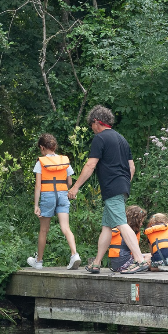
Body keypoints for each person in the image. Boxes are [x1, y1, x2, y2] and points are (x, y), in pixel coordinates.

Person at [67, 105, 149, 274]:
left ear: (97, 122)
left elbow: (90, 165)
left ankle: (140, 260)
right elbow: (131, 167)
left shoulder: (100, 138)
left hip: (112, 188)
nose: (92, 129)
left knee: (121, 223)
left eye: (91, 125)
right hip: (121, 187)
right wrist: (124, 183)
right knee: (107, 226)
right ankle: (96, 263)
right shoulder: (122, 139)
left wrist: (75, 187)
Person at [26, 133, 82, 270]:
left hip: (47, 196)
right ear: (54, 146)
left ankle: (38, 262)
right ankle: (74, 254)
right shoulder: (64, 160)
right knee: (66, 227)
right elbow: (69, 182)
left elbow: (38, 186)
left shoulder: (41, 162)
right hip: (63, 195)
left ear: (42, 147)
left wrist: (36, 205)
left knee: (44, 230)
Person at [107, 205, 148, 272]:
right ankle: (135, 268)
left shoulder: (119, 229)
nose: (141, 224)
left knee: (149, 256)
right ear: (136, 221)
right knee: (151, 257)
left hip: (116, 265)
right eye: (140, 222)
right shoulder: (130, 233)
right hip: (123, 265)